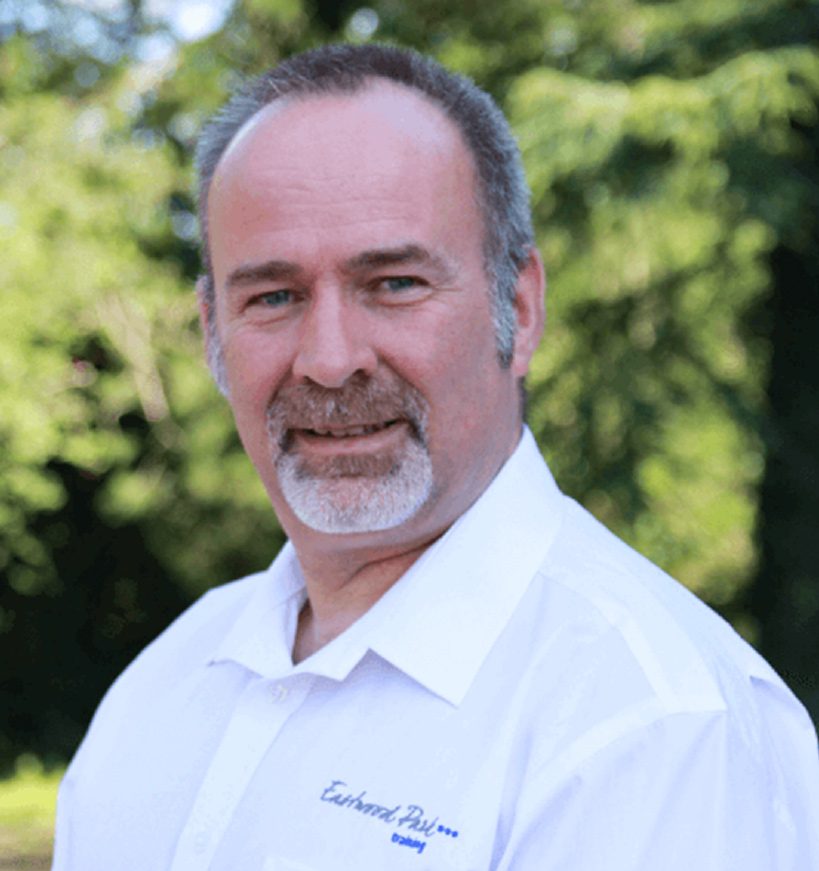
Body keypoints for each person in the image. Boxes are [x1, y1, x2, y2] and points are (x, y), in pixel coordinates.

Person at [52, 43, 819, 871]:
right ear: (213, 333)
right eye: (273, 296)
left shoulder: (648, 724)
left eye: (394, 283)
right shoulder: (163, 686)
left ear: (519, 309)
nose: (330, 359)